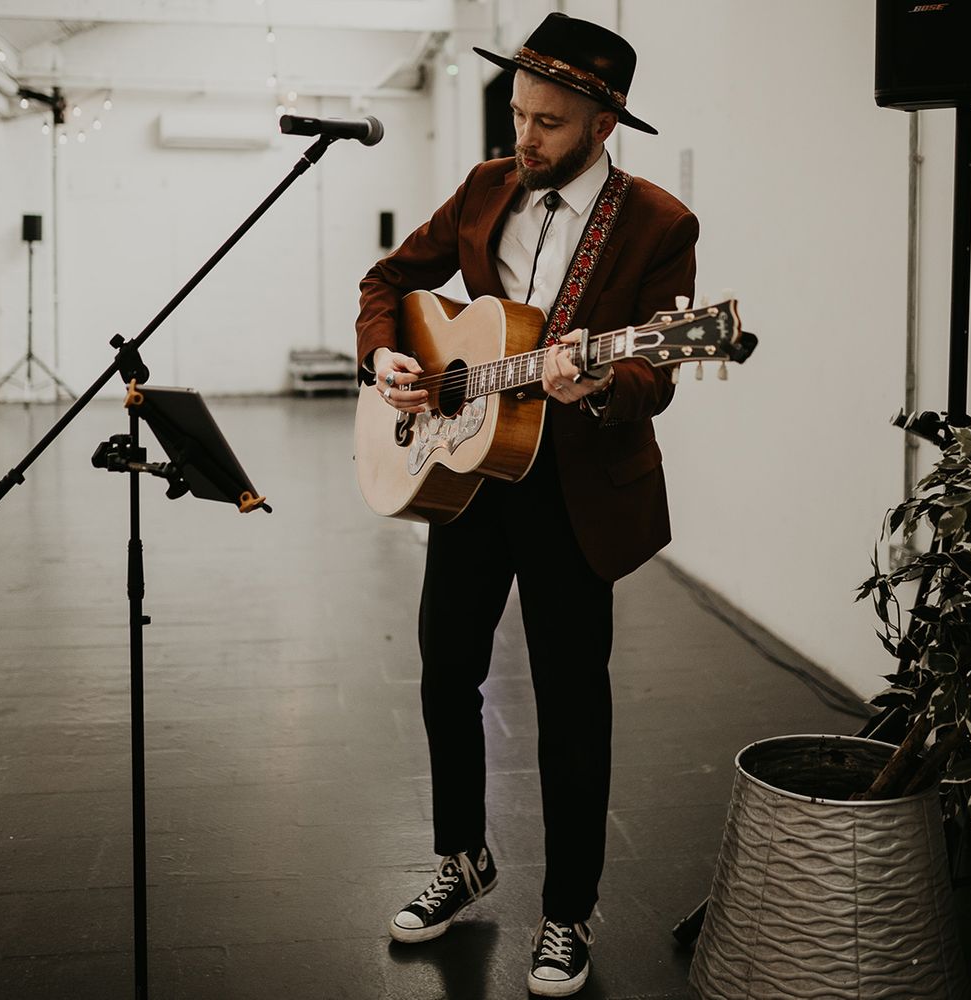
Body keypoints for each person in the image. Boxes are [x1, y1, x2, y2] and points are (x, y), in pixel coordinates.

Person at [355, 12, 699, 997]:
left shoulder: (657, 225)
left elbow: (655, 379)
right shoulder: (483, 187)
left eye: (547, 122)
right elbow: (392, 279)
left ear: (603, 122)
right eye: (517, 113)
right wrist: (396, 355)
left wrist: (596, 384)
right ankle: (462, 857)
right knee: (443, 674)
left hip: (574, 490)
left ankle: (568, 911)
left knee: (569, 704)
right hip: (469, 468)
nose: (525, 136)